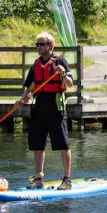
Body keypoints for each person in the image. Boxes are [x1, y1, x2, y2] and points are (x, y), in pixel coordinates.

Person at [21, 31, 75, 189]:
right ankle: (38, 179)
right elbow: (29, 87)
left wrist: (62, 74)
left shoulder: (60, 61)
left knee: (62, 144)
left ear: (50, 46)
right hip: (38, 107)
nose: (38, 47)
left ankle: (67, 180)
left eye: (41, 44)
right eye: (37, 44)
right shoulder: (36, 65)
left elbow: (70, 83)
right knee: (37, 145)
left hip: (56, 108)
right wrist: (22, 99)